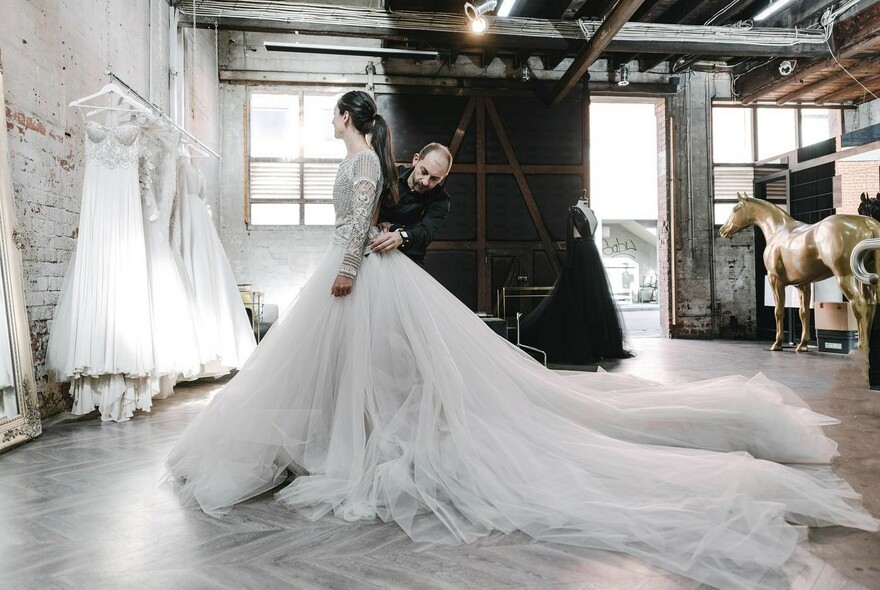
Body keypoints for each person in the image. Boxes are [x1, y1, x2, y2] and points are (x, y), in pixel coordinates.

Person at [166, 90, 877, 590]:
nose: (427, 178)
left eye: (437, 177)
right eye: (425, 170)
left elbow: (414, 230)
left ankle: (387, 437)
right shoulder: (385, 170)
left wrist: (387, 239)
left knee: (406, 377)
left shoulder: (425, 196)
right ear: (414, 160)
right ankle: (337, 438)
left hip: (388, 284)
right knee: (350, 373)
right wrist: (368, 238)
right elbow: (367, 210)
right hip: (367, 281)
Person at [520, 196, 631, 364]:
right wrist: (569, 265)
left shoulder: (591, 212)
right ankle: (581, 343)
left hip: (591, 255)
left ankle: (598, 344)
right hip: (580, 257)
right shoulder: (573, 212)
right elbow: (570, 240)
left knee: (595, 299)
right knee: (580, 299)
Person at [369, 142, 452, 265]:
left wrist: (399, 234)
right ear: (416, 159)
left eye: (434, 178)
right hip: (373, 254)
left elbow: (425, 233)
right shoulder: (390, 177)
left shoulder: (441, 199)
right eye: (424, 172)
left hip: (408, 262)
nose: (425, 182)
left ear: (443, 177)